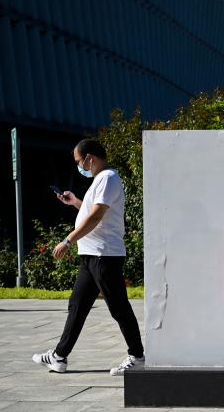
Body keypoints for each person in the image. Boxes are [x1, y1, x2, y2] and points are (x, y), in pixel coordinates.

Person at [32, 139, 145, 376]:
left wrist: (67, 240)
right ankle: (59, 356)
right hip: (91, 255)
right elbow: (94, 213)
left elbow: (95, 218)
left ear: (89, 158)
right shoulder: (100, 181)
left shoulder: (108, 178)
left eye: (78, 161)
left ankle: (137, 356)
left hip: (104, 255)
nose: (79, 166)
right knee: (78, 305)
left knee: (118, 306)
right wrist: (75, 203)